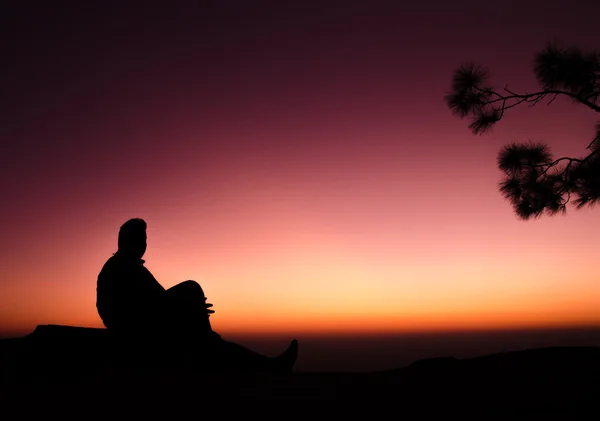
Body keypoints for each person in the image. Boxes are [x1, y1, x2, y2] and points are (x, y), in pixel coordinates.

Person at [96, 218, 298, 372]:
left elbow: (158, 300)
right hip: (138, 332)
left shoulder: (131, 268)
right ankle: (267, 366)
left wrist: (189, 307)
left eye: (144, 240)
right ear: (127, 241)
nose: (144, 245)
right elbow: (132, 308)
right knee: (192, 290)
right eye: (140, 239)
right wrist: (186, 305)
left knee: (206, 331)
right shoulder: (119, 268)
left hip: (148, 325)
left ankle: (268, 364)